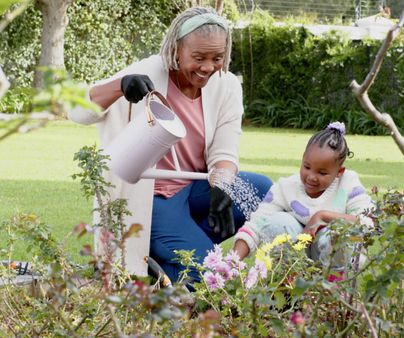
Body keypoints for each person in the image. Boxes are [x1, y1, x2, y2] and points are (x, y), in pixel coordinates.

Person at [69, 6, 272, 282]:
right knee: (211, 277)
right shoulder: (151, 71)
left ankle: (169, 253)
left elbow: (225, 149)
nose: (208, 67)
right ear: (177, 49)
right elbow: (77, 111)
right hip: (150, 198)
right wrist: (121, 86)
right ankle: (171, 251)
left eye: (217, 58)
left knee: (261, 191)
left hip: (193, 189)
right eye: (198, 57)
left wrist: (223, 185)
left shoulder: (227, 86)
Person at [233, 122, 373, 270]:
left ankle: (333, 289)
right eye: (307, 167)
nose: (311, 177)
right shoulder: (286, 187)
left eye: (322, 173)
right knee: (276, 223)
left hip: (335, 264)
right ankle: (288, 282)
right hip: (300, 260)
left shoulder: (348, 184)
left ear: (339, 171)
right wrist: (232, 261)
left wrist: (323, 215)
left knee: (336, 234)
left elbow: (367, 222)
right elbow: (257, 224)